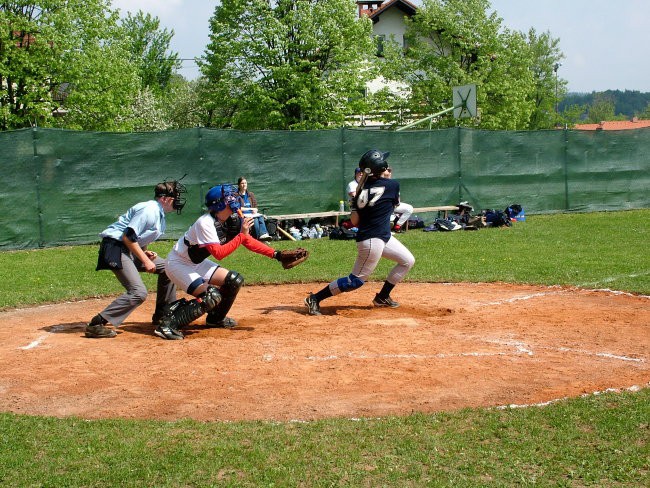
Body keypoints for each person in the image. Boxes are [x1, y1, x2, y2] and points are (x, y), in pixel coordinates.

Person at [158, 184, 294, 340]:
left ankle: (215, 319)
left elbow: (247, 241)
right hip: (178, 263)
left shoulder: (233, 218)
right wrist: (241, 236)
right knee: (211, 296)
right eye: (229, 197)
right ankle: (167, 324)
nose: (234, 199)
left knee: (234, 280)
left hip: (196, 262)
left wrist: (276, 255)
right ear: (219, 203)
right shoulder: (206, 223)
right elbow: (219, 253)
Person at [304, 149, 415, 316]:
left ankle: (382, 297)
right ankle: (315, 298)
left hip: (381, 236)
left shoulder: (360, 193)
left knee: (407, 261)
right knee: (355, 281)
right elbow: (394, 204)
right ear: (381, 168)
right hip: (371, 240)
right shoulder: (393, 185)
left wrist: (358, 202)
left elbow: (354, 222)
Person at [85, 180, 186, 338]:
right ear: (165, 198)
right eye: (175, 197)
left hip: (126, 248)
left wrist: (144, 253)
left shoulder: (159, 214)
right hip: (115, 247)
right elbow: (127, 237)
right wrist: (145, 261)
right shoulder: (150, 209)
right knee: (138, 292)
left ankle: (163, 315)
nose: (178, 200)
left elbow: (137, 238)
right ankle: (96, 323)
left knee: (169, 268)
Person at [237, 176, 272, 241]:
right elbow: (238, 208)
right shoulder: (236, 195)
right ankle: (259, 237)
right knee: (255, 219)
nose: (244, 185)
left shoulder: (251, 194)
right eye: (242, 183)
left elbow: (255, 206)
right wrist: (250, 209)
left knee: (260, 217)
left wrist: (255, 210)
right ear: (239, 185)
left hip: (252, 214)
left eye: (245, 183)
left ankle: (263, 234)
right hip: (243, 215)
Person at [386, 167, 413, 233]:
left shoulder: (394, 183)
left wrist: (397, 203)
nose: (389, 173)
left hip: (394, 205)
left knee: (409, 208)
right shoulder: (379, 183)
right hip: (384, 207)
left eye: (390, 171)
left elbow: (397, 197)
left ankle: (397, 226)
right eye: (387, 171)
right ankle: (387, 227)